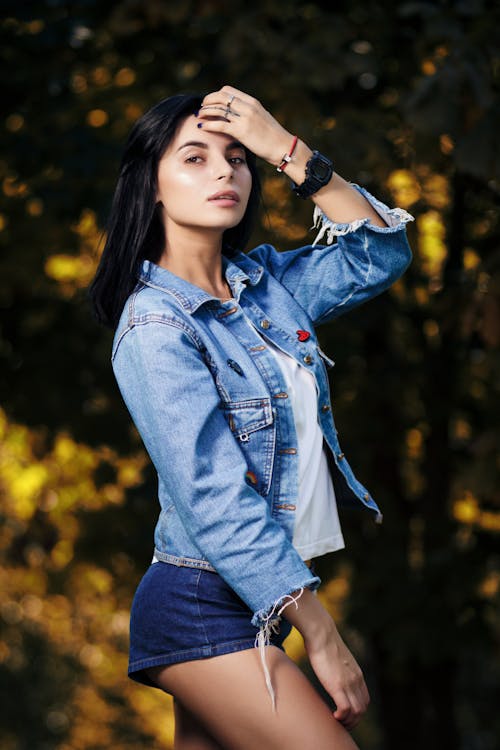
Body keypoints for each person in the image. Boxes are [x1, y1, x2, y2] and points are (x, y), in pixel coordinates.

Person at [89, 85, 413, 750]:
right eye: (195, 158)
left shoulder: (266, 290)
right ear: (151, 184)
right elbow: (214, 500)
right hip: (202, 603)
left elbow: (381, 252)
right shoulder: (154, 328)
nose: (223, 172)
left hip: (255, 606)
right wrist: (323, 635)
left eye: (236, 158)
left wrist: (282, 148)